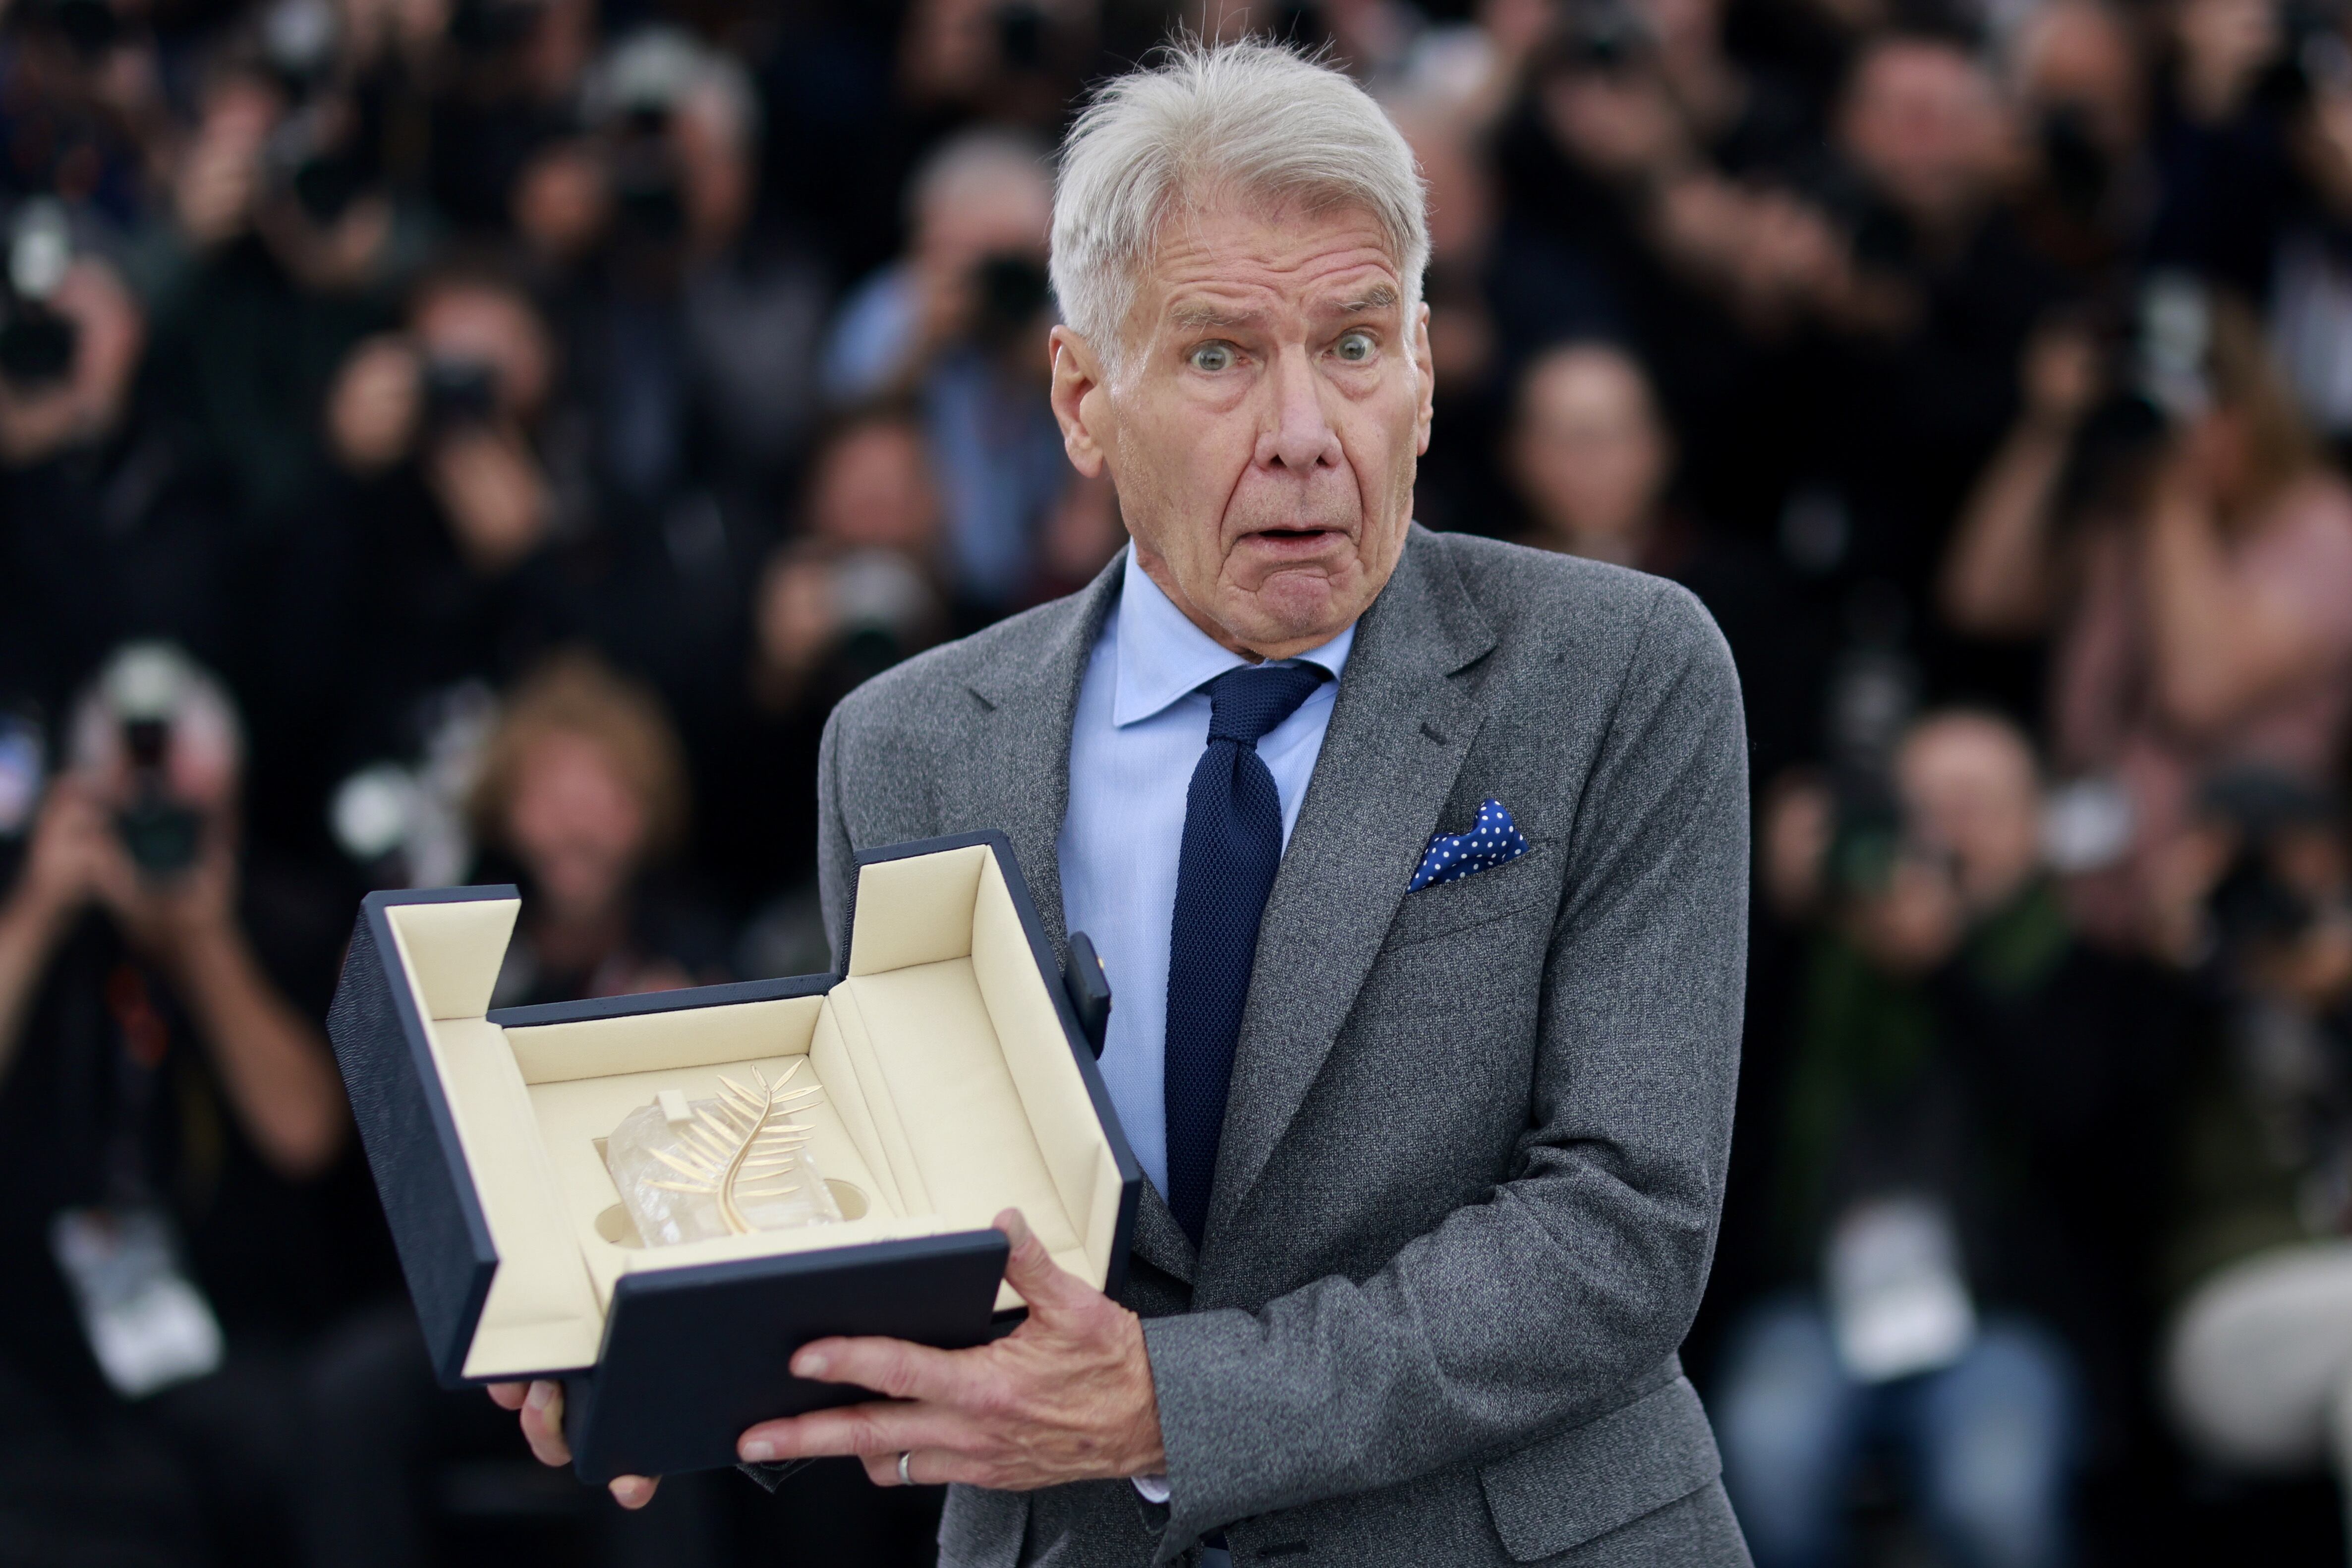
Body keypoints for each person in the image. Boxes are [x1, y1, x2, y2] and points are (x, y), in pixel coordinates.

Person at [499, 39, 1753, 1567]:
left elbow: (1622, 1232)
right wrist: (653, 1342)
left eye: (1354, 346)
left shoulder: (1624, 670)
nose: (1306, 430)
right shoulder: (902, 748)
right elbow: (928, 1239)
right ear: (1083, 398)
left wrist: (1168, 1400)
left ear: (1421, 374)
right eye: (1220, 355)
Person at [1723, 709, 2186, 1568]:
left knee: (1993, 1496)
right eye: (1924, 805)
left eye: (1976, 806)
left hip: (2003, 1321)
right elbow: (1708, 1115)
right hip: (1814, 1307)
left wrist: (1945, 970)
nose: (1945, 834)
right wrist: (1772, 914)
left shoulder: (2089, 977)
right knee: (1764, 1451)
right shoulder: (1812, 967)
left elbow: (2085, 1141)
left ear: (2037, 827)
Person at [0, 643, 349, 1567]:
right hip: (41, 1342)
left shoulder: (284, 920)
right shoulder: (38, 918)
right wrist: (40, 907)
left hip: (237, 1337)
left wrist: (202, 942)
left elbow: (305, 1132)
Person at [1942, 292, 2352, 952]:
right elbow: (1980, 600)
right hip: (2076, 897)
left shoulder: (2322, 530)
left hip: (2221, 914)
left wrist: (2171, 490)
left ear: (2241, 414)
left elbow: (2197, 692)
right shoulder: (2121, 513)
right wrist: (2051, 429)